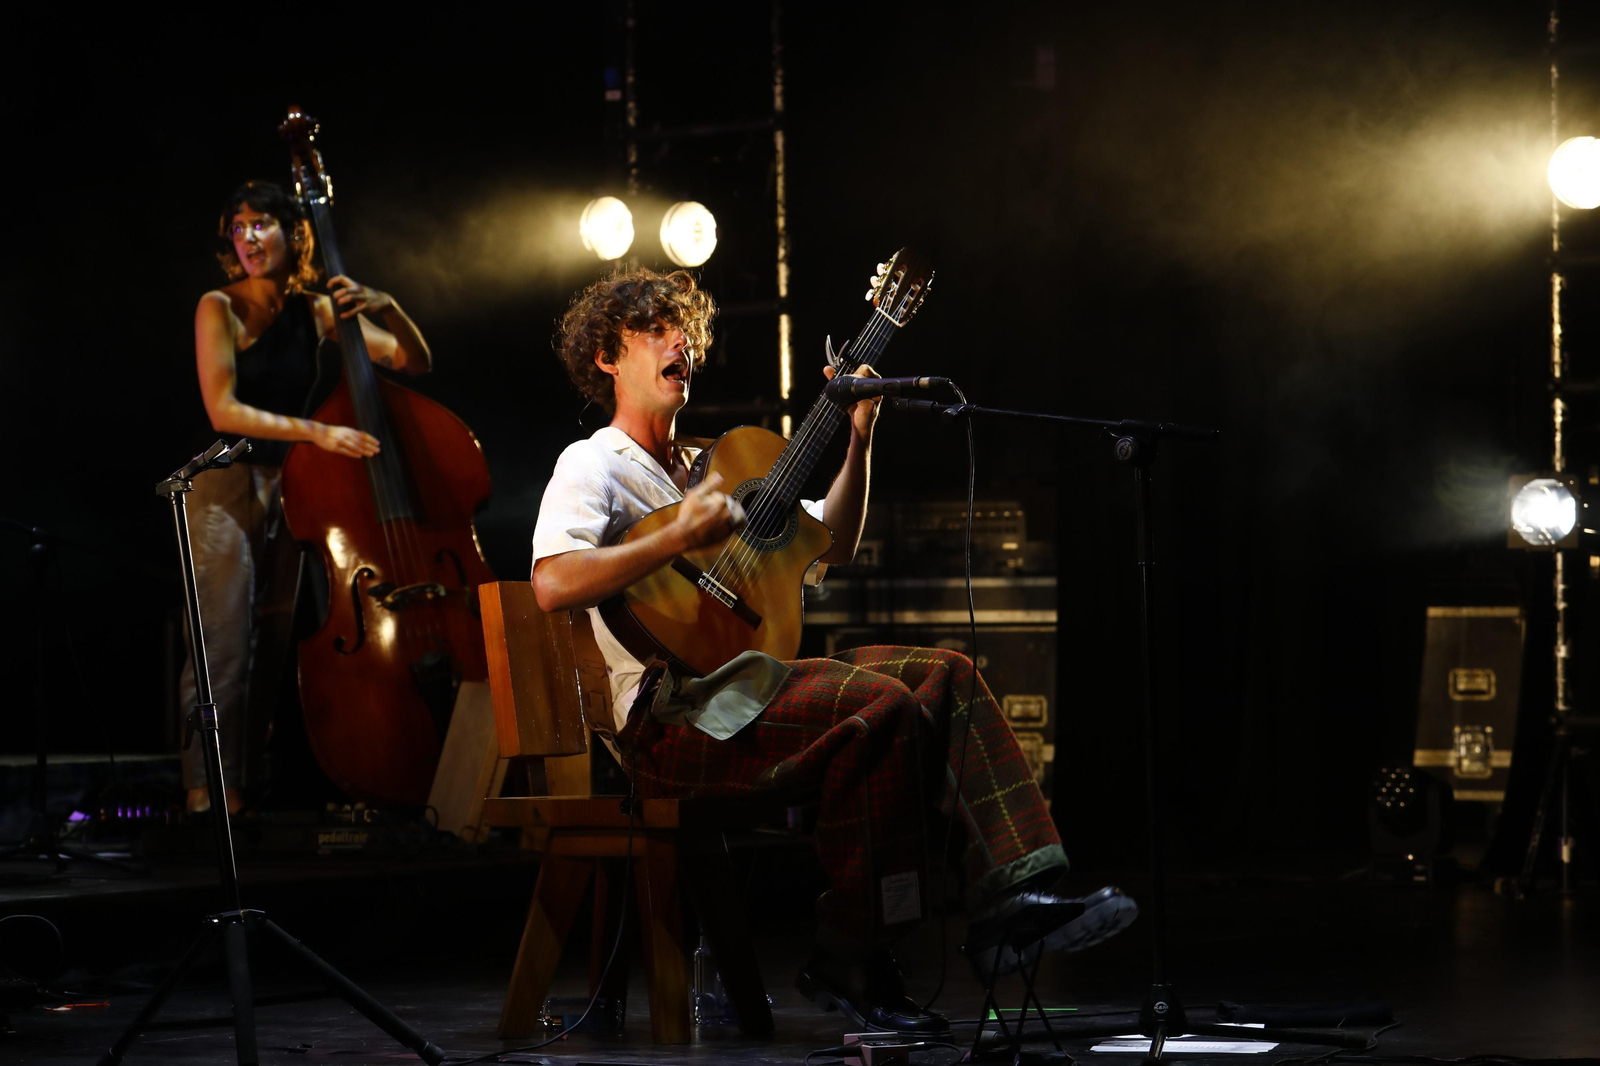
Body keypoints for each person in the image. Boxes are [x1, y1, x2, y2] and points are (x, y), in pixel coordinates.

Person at [531, 268, 1135, 1032]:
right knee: (881, 704)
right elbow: (552, 584)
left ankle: (1019, 890)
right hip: (672, 721)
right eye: (654, 330)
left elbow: (836, 540)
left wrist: (860, 435)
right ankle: (856, 950)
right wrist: (679, 535)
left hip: (752, 689)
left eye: (684, 329)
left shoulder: (727, 464)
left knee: (945, 675)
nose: (678, 341)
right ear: (607, 357)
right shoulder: (594, 464)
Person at [181, 180, 431, 814]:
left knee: (271, 643)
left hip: (291, 489)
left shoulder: (314, 311)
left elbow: (411, 360)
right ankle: (208, 794)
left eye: (261, 224)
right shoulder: (219, 306)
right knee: (224, 643)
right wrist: (320, 433)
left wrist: (389, 304)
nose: (248, 238)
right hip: (224, 483)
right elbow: (224, 410)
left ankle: (248, 787)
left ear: (293, 236)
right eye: (238, 228)